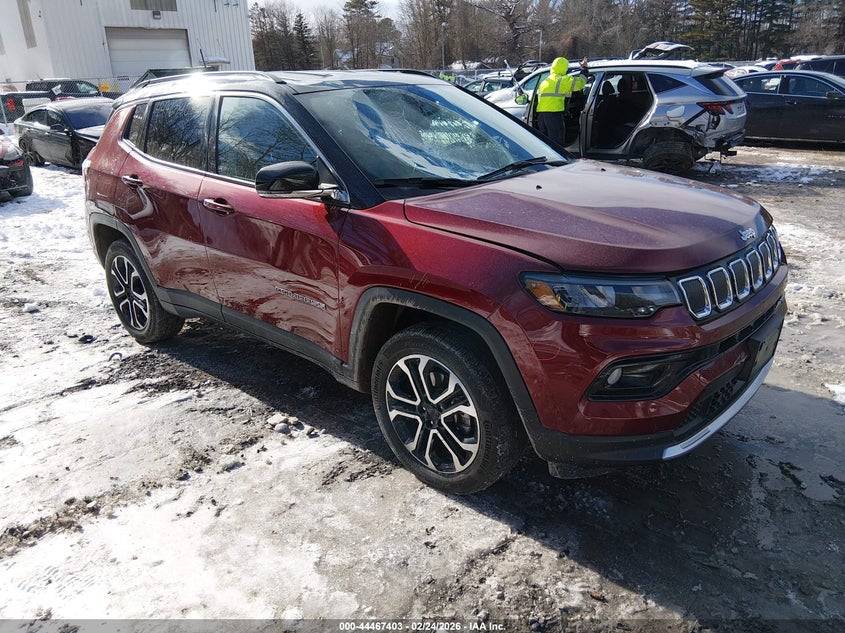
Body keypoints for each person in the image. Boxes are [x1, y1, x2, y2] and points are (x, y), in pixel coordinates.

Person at [534, 56, 588, 147]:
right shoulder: (562, 80)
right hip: (553, 116)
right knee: (557, 144)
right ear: (563, 68)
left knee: (545, 144)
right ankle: (557, 161)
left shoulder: (545, 81)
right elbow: (580, 83)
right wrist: (585, 70)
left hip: (541, 117)